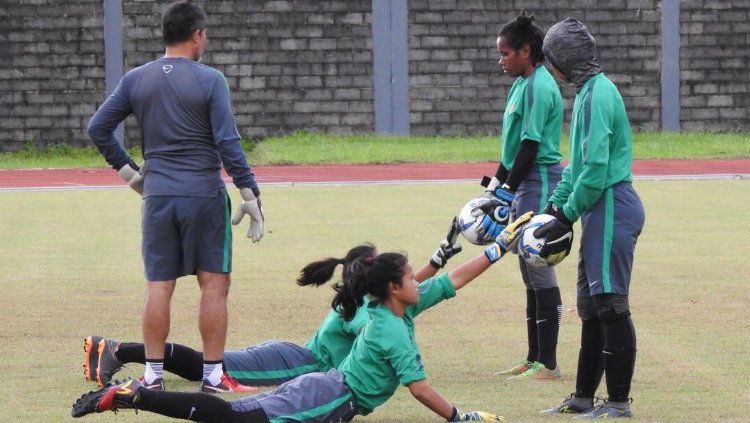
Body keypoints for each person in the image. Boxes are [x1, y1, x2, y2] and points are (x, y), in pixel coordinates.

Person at [71, 213, 535, 422]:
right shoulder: (379, 324)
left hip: (322, 388)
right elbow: (419, 388)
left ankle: (132, 390)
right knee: (230, 412)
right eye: (410, 279)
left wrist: (495, 250)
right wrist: (461, 418)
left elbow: (446, 283)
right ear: (391, 288)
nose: (419, 284)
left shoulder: (380, 304)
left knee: (228, 403)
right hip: (320, 385)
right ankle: (132, 391)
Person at [86, 0, 264, 393]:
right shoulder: (210, 79)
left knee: (159, 285)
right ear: (197, 34)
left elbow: (98, 128)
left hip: (159, 197)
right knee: (214, 285)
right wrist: (249, 192)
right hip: (203, 194)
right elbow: (227, 141)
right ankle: (213, 377)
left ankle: (152, 376)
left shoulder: (136, 79)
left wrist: (130, 172)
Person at [83, 233, 461, 388]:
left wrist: (435, 262)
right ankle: (116, 351)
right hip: (297, 364)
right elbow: (398, 301)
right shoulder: (365, 311)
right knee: (210, 366)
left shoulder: (361, 298)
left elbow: (403, 290)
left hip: (292, 356)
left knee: (211, 363)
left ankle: (117, 350)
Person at [535, 18, 646, 418]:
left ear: (564, 59)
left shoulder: (599, 95)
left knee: (611, 303)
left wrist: (565, 216)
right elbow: (576, 167)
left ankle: (617, 402)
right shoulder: (585, 93)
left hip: (612, 203)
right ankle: (582, 397)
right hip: (598, 208)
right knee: (591, 305)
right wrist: (553, 208)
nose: (550, 67)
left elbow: (597, 169)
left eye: (552, 59)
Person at [484, 13, 565, 381]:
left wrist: (506, 191)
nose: (501, 60)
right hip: (524, 183)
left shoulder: (539, 86)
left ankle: (548, 365)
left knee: (538, 265)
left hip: (541, 181)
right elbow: (511, 150)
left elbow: (531, 146)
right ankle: (533, 359)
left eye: (505, 53)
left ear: (525, 50)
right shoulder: (521, 83)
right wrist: (493, 191)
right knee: (527, 270)